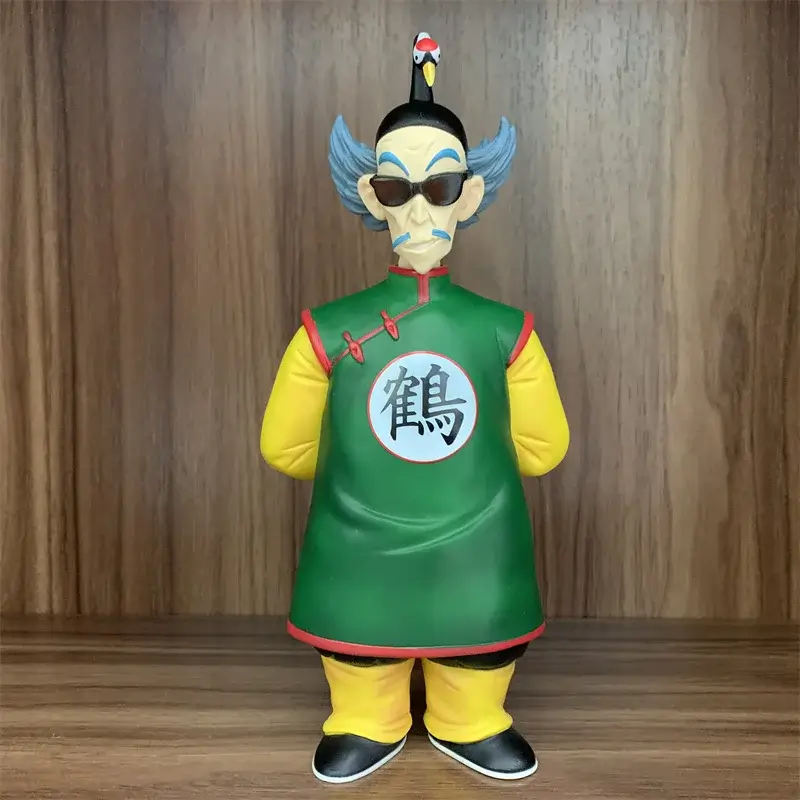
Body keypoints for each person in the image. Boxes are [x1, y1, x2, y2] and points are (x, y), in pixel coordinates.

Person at [260, 31, 569, 785]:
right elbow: (540, 449)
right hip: (425, 546)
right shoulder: (491, 333)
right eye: (399, 190)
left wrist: (360, 463)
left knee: (455, 636)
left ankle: (452, 718)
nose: (421, 210)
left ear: (470, 195)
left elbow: (288, 449)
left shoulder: (494, 330)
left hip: (414, 547)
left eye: (442, 186)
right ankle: (387, 717)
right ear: (372, 196)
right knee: (378, 639)